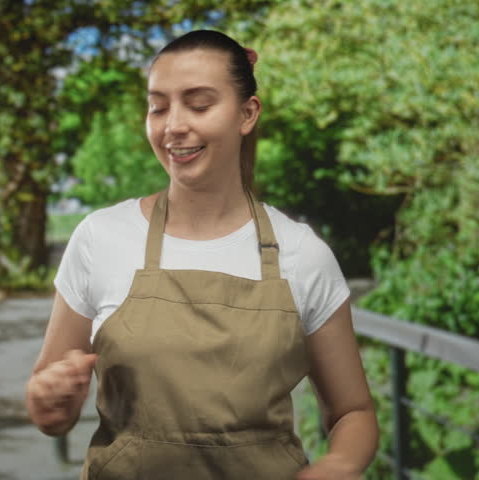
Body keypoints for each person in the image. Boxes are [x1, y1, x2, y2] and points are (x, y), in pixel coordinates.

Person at [26, 29, 378, 480]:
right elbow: (49, 406)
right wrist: (49, 401)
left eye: (199, 104)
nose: (173, 125)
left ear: (247, 114)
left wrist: (340, 464)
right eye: (158, 106)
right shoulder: (101, 237)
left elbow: (353, 412)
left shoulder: (302, 253)